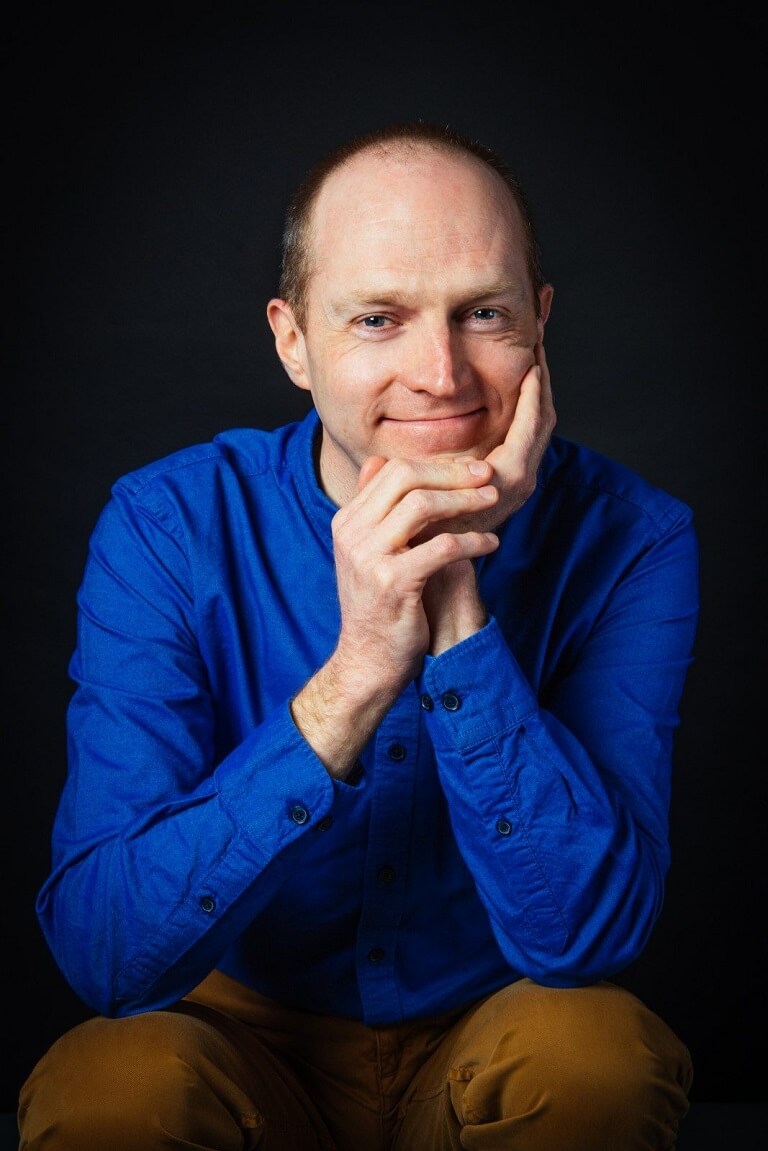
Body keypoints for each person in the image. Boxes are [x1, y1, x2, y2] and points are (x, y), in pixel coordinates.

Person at [18, 120, 699, 1150]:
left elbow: (587, 936)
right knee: (109, 1084)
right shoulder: (167, 524)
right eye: (378, 317)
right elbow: (108, 954)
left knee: (598, 1057)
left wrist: (455, 592)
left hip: (494, 1020)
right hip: (236, 1036)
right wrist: (357, 673)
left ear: (541, 324)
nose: (442, 373)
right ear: (294, 341)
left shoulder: (637, 536)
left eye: (485, 313)